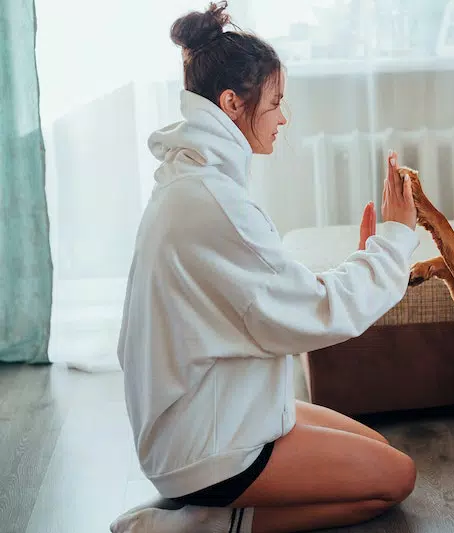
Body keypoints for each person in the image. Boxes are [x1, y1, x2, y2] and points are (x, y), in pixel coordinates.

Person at [110, 3, 420, 533]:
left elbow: (273, 296)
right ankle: (198, 524)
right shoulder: (213, 202)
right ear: (232, 103)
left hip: (212, 412)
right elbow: (315, 313)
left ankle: (203, 505)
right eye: (276, 102)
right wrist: (395, 240)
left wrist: (369, 256)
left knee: (374, 449)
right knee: (396, 478)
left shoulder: (194, 182)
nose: (284, 117)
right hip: (207, 446)